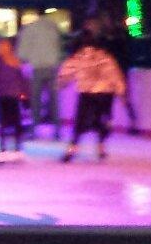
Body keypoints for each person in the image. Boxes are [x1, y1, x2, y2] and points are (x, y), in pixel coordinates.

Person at [56, 33, 125, 162]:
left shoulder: (78, 57)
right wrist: (121, 92)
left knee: (80, 122)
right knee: (102, 121)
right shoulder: (105, 56)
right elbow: (114, 74)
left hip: (87, 93)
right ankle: (101, 148)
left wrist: (60, 84)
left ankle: (72, 149)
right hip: (105, 93)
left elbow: (65, 73)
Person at [15, 14, 64, 135]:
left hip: (37, 67)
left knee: (35, 99)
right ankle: (57, 129)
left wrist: (23, 59)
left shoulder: (29, 29)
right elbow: (60, 47)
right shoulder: (53, 27)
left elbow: (22, 53)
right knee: (54, 99)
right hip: (53, 67)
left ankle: (34, 127)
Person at [0, 37, 29, 160]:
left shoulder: (15, 61)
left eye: (6, 45)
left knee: (16, 123)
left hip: (14, 96)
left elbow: (22, 79)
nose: (4, 48)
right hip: (1, 96)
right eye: (1, 46)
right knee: (2, 124)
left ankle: (18, 148)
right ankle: (2, 148)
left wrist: (25, 94)